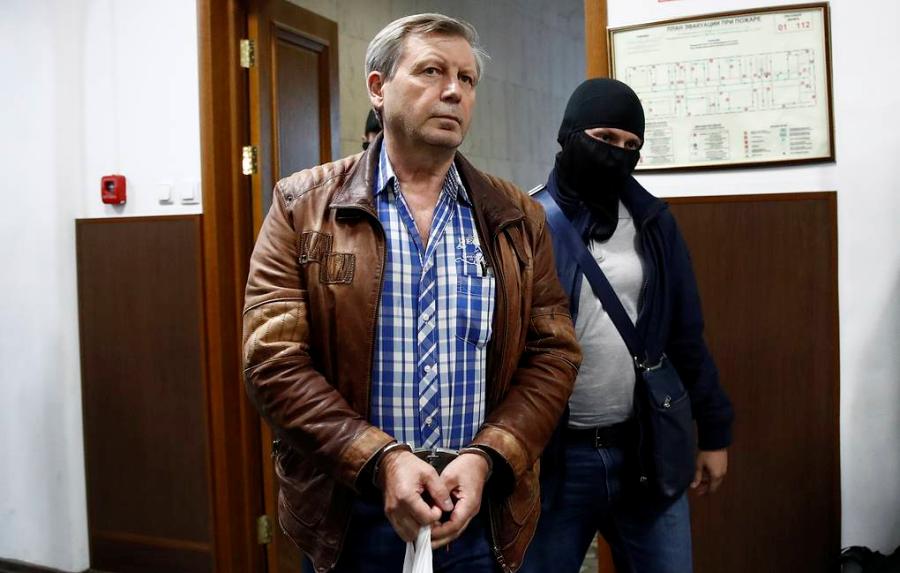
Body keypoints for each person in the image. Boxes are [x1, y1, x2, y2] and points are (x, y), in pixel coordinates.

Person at [241, 13, 581, 573]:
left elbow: (554, 354)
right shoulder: (303, 206)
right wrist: (382, 460)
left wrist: (489, 457)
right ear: (378, 88)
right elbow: (271, 360)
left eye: (467, 79)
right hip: (352, 509)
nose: (453, 91)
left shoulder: (516, 216)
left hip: (477, 508)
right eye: (431, 71)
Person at [522, 78, 734, 573]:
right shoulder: (526, 220)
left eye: (631, 144)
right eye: (604, 137)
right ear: (570, 134)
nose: (617, 153)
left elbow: (685, 334)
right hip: (556, 463)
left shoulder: (653, 223)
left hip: (643, 451)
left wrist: (714, 431)